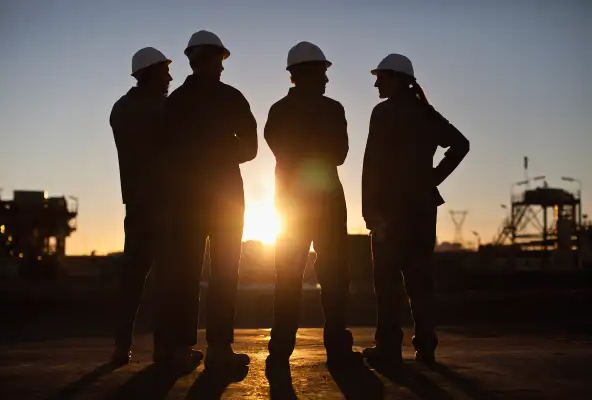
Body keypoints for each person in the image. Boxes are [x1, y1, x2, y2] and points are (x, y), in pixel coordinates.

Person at [155, 30, 258, 371]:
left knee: (197, 272)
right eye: (218, 60)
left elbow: (166, 154)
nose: (220, 67)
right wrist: (221, 150)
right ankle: (213, 348)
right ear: (208, 59)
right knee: (215, 272)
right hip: (218, 198)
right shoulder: (226, 99)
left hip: (201, 199)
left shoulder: (178, 103)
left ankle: (196, 347)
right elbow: (249, 148)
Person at [361, 53, 470, 367]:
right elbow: (460, 144)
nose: (376, 82)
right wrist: (431, 179)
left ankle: (389, 349)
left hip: (390, 212)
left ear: (396, 78)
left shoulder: (383, 113)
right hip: (423, 210)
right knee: (421, 282)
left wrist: (370, 212)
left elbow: (372, 166)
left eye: (380, 77)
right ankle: (426, 348)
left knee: (387, 282)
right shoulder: (425, 113)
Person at [264, 41, 361, 367]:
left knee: (288, 276)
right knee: (333, 275)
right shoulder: (332, 110)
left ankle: (280, 350)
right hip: (325, 204)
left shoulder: (279, 112)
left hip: (291, 206)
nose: (326, 80)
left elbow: (284, 150)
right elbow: (338, 154)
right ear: (305, 74)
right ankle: (336, 348)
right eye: (322, 72)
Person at [108, 47, 173, 365]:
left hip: (135, 205)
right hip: (165, 204)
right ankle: (165, 349)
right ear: (150, 73)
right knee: (169, 279)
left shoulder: (120, 109)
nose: (170, 77)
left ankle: (122, 345)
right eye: (165, 72)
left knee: (133, 277)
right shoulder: (165, 108)